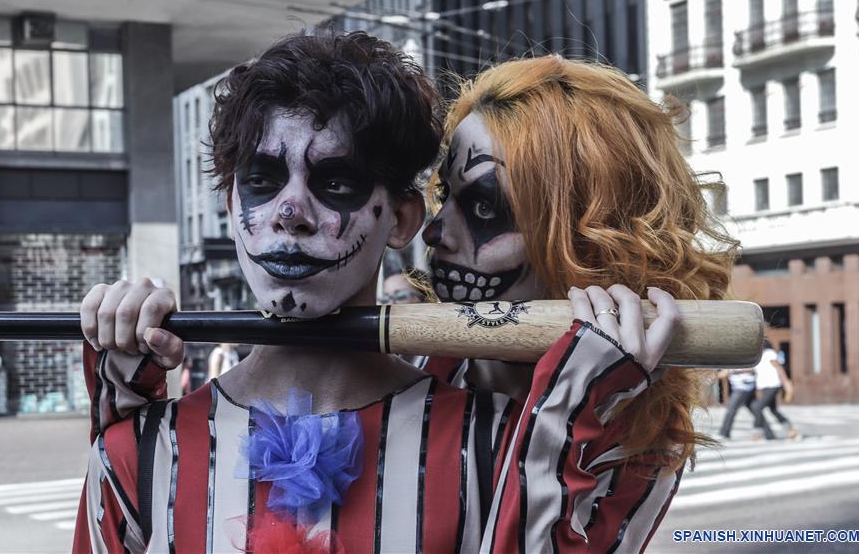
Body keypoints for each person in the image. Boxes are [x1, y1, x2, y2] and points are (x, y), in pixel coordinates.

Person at [73, 34, 682, 553]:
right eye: (261, 179)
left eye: (337, 181)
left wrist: (565, 426)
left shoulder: (515, 449)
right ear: (230, 203)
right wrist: (125, 403)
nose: (290, 212)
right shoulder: (139, 449)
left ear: (401, 218)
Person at [418, 54, 739, 544]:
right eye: (446, 195)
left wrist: (569, 410)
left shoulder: (636, 443)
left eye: (486, 207)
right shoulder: (406, 372)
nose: (434, 231)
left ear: (588, 241)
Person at [752, 339, 799, 439]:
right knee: (773, 410)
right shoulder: (758, 357)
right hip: (764, 386)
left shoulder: (770, 353)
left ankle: (758, 433)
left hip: (773, 385)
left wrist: (786, 383)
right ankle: (791, 430)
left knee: (757, 407)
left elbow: (779, 368)